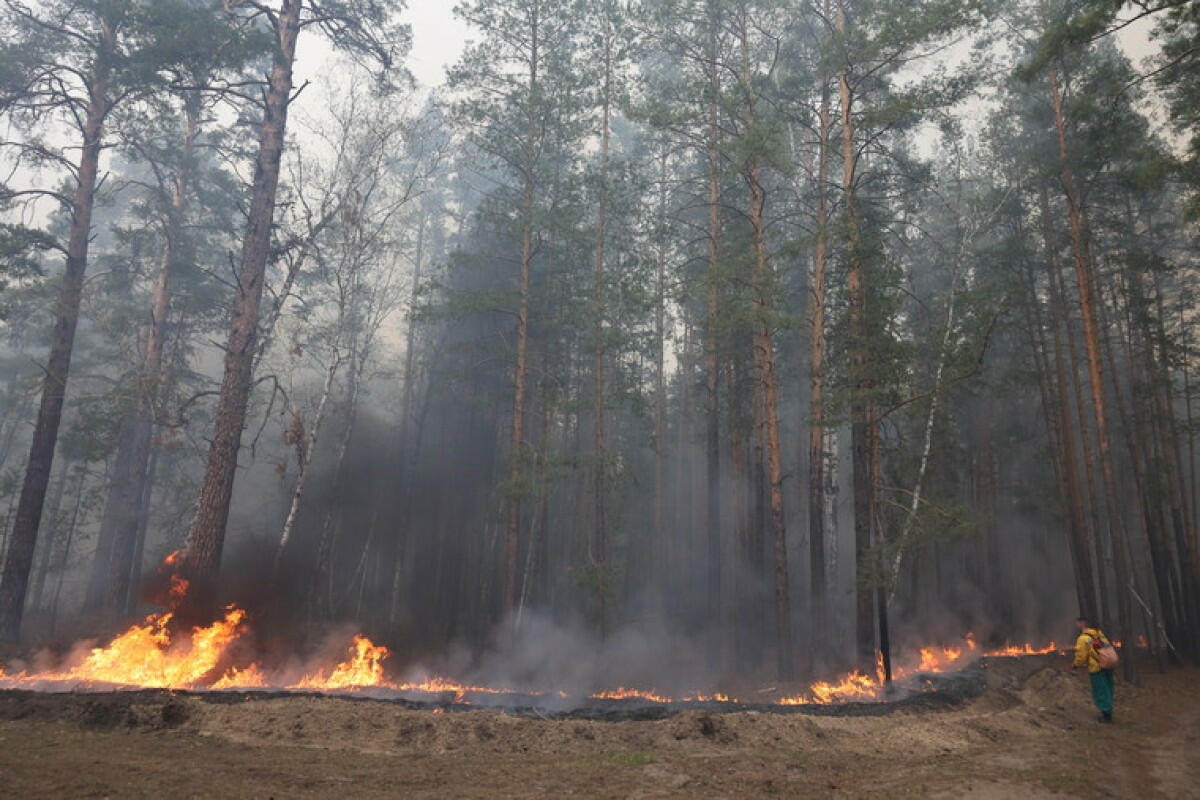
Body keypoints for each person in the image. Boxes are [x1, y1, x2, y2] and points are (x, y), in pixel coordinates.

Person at [1071, 616, 1115, 723]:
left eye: (1077, 623)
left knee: (1100, 691)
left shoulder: (1082, 639)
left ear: (1082, 623)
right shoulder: (1099, 633)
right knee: (1108, 688)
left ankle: (1106, 717)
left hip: (1096, 668)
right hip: (1107, 664)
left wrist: (1075, 665)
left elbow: (1081, 656)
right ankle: (1108, 711)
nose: (1076, 625)